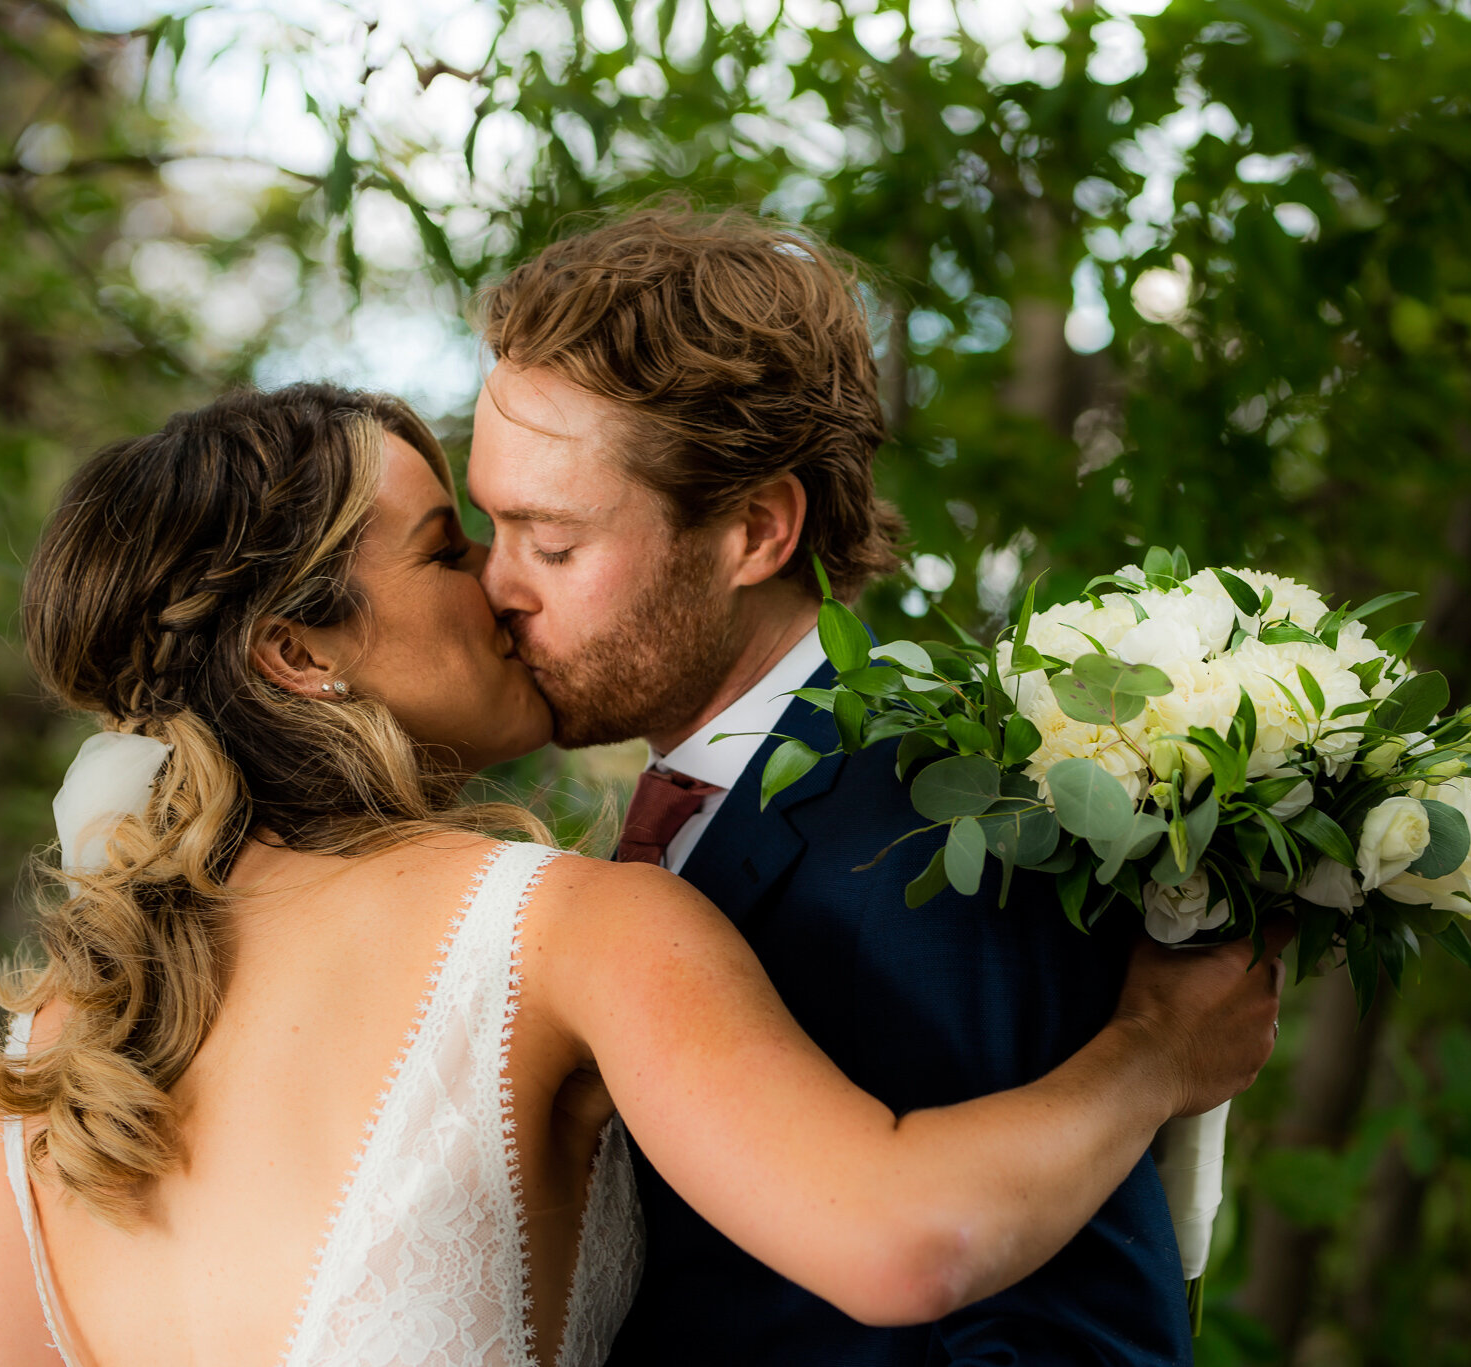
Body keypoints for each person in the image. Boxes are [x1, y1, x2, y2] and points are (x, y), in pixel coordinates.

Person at [0, 383, 1283, 1367]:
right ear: (299, 655)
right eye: (450, 549)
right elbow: (908, 1239)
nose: (503, 587)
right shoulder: (562, 927)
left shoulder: (61, 1031)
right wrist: (1154, 1054)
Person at [468, 207, 1208, 1365]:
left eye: (552, 544)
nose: (496, 585)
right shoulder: (677, 807)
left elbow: (1072, 1340)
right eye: (489, 526)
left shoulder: (936, 818)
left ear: (755, 529)